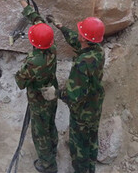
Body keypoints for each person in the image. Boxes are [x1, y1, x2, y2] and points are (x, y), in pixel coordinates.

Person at [42, 15, 105, 173]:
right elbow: (77, 42)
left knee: (80, 147)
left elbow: (73, 96)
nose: (78, 33)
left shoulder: (82, 65)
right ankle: (91, 168)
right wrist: (61, 27)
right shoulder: (98, 51)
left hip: (82, 113)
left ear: (84, 38)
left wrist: (54, 93)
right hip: (94, 105)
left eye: (80, 32)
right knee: (91, 140)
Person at [14, 0, 59, 173]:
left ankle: (48, 166)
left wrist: (20, 71)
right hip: (52, 93)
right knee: (50, 124)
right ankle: (54, 150)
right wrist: (22, 0)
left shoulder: (34, 62)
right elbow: (38, 21)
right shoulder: (52, 47)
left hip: (39, 101)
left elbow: (20, 82)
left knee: (40, 133)